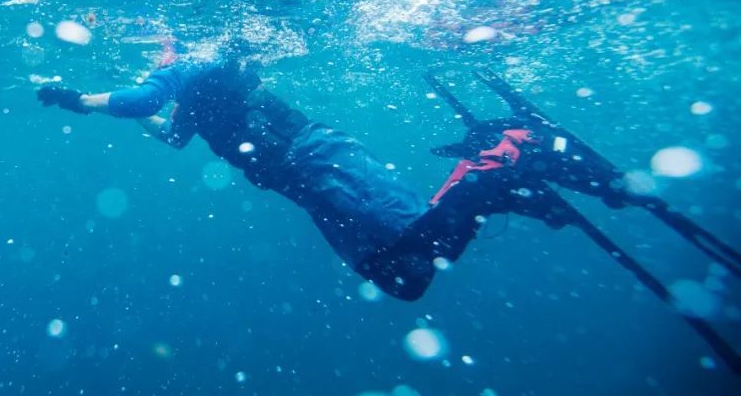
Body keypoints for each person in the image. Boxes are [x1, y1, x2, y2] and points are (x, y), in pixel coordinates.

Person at [36, 54, 543, 300]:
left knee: (429, 240)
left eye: (158, 59)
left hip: (318, 155)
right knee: (402, 280)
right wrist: (119, 115)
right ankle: (484, 185)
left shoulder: (189, 67)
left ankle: (497, 161)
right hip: (298, 185)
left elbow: (143, 99)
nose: (155, 66)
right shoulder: (187, 99)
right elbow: (168, 132)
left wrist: (83, 101)